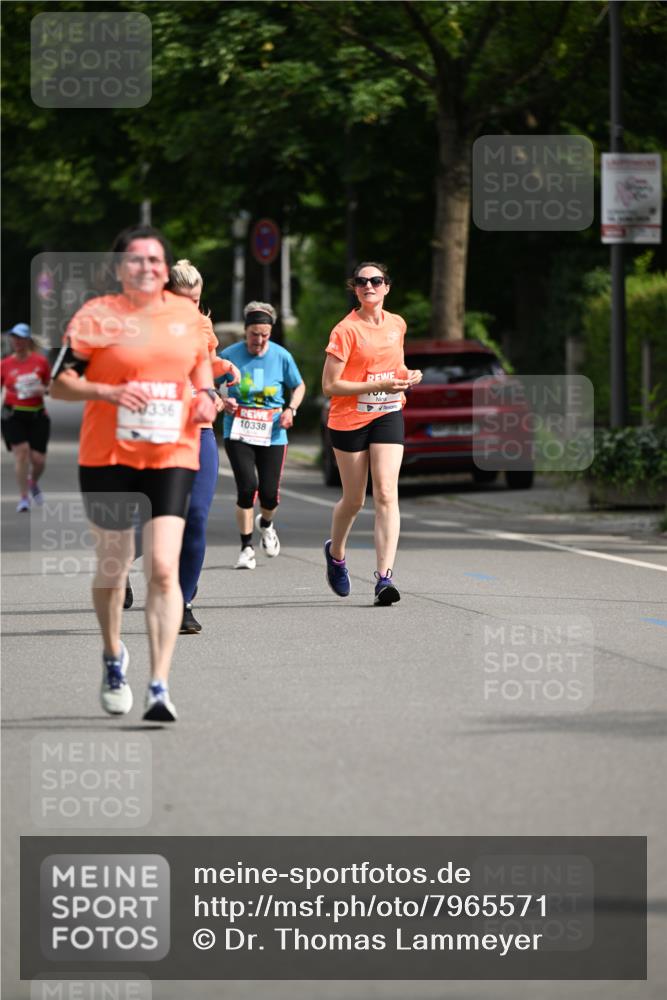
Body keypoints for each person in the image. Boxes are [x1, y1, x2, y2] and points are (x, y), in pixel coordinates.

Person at [50, 224, 218, 722]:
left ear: (165, 270)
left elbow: (202, 372)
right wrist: (107, 392)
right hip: (107, 456)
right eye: (137, 260)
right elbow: (60, 383)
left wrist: (207, 399)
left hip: (172, 453)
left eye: (155, 260)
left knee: (163, 567)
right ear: (120, 268)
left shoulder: (187, 318)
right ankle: (113, 655)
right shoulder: (96, 316)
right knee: (114, 564)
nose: (147, 267)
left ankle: (159, 685)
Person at [321, 261, 422, 606]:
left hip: (387, 413)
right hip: (349, 419)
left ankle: (384, 578)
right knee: (354, 500)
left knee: (387, 493)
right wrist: (378, 385)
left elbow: (396, 366)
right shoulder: (345, 330)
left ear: (386, 287)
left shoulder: (397, 324)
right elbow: (330, 385)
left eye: (376, 281)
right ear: (355, 288)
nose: (369, 286)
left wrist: (409, 375)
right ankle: (336, 554)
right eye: (362, 281)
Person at [168, 259, 240, 633]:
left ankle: (183, 602)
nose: (191, 307)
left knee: (196, 515)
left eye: (196, 300)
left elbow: (206, 364)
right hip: (161, 434)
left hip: (199, 430)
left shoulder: (202, 325)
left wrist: (223, 368)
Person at [218, 301, 305, 569]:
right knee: (247, 487)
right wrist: (223, 400)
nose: (259, 340)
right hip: (238, 430)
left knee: (269, 494)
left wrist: (291, 409)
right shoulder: (229, 355)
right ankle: (246, 548)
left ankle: (266, 524)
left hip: (273, 432)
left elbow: (299, 386)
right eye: (254, 334)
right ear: (245, 332)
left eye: (264, 335)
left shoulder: (281, 356)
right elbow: (209, 384)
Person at [1, 323, 51, 512]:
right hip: (12, 415)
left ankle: (33, 481)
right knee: (21, 453)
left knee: (39, 460)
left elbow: (51, 386)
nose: (17, 341)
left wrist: (43, 389)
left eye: (21, 338)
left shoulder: (40, 362)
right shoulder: (5, 364)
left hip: (37, 415)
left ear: (28, 340)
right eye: (14, 337)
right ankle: (23, 498)